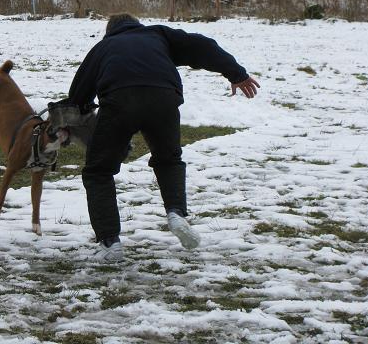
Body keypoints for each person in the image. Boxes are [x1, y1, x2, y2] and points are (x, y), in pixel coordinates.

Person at [67, 13, 260, 262]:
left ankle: (109, 242)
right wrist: (236, 74)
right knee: (168, 159)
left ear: (109, 31)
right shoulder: (158, 35)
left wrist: (76, 112)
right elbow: (202, 46)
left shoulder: (103, 47)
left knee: (99, 172)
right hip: (164, 98)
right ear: (137, 24)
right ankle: (176, 213)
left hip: (119, 101)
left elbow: (77, 96)